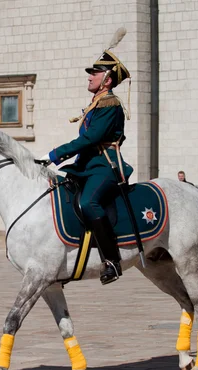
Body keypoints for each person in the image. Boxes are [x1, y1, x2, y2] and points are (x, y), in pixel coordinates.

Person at [42, 44, 132, 285]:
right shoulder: (97, 103)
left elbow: (90, 139)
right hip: (88, 165)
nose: (90, 76)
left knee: (88, 202)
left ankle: (112, 261)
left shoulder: (110, 104)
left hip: (104, 166)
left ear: (107, 80)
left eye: (95, 72)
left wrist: (54, 154)